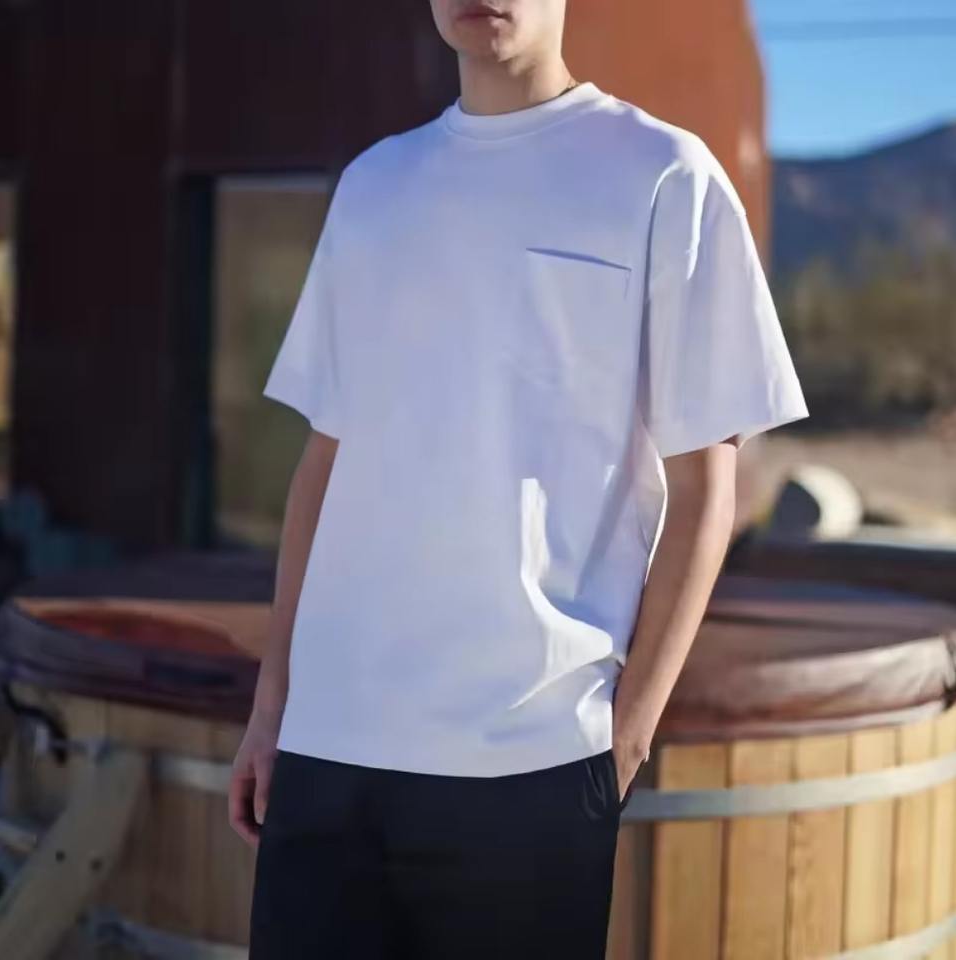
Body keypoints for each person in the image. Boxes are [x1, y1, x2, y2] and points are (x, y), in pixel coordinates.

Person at [231, 0, 810, 957]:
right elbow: (324, 463)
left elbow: (707, 491)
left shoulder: (666, 175)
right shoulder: (376, 186)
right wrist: (272, 707)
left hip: (532, 760)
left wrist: (624, 740)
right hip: (329, 751)